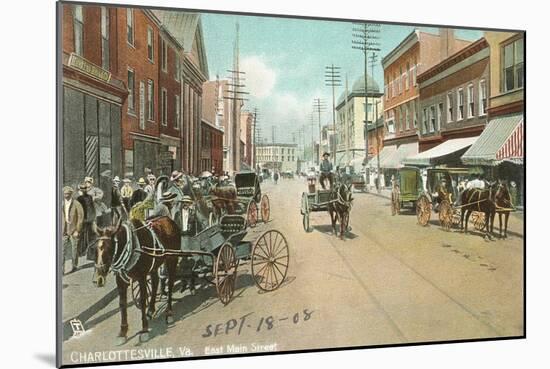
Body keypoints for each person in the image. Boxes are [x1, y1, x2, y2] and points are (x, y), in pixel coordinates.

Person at [62, 186, 84, 274]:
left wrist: (77, 230)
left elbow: (81, 217)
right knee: (62, 250)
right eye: (64, 194)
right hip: (63, 230)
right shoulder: (61, 203)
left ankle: (74, 266)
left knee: (74, 249)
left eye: (68, 194)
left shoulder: (76, 204)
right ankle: (61, 269)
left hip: (74, 229)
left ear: (71, 194)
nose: (66, 195)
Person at [76, 182, 96, 261]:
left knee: (91, 235)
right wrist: (81, 219)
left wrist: (93, 217)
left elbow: (92, 207)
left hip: (90, 218)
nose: (84, 190)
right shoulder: (79, 198)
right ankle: (82, 252)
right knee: (83, 235)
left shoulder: (90, 197)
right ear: (80, 190)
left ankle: (90, 253)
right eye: (82, 189)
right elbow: (79, 210)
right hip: (83, 219)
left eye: (85, 188)